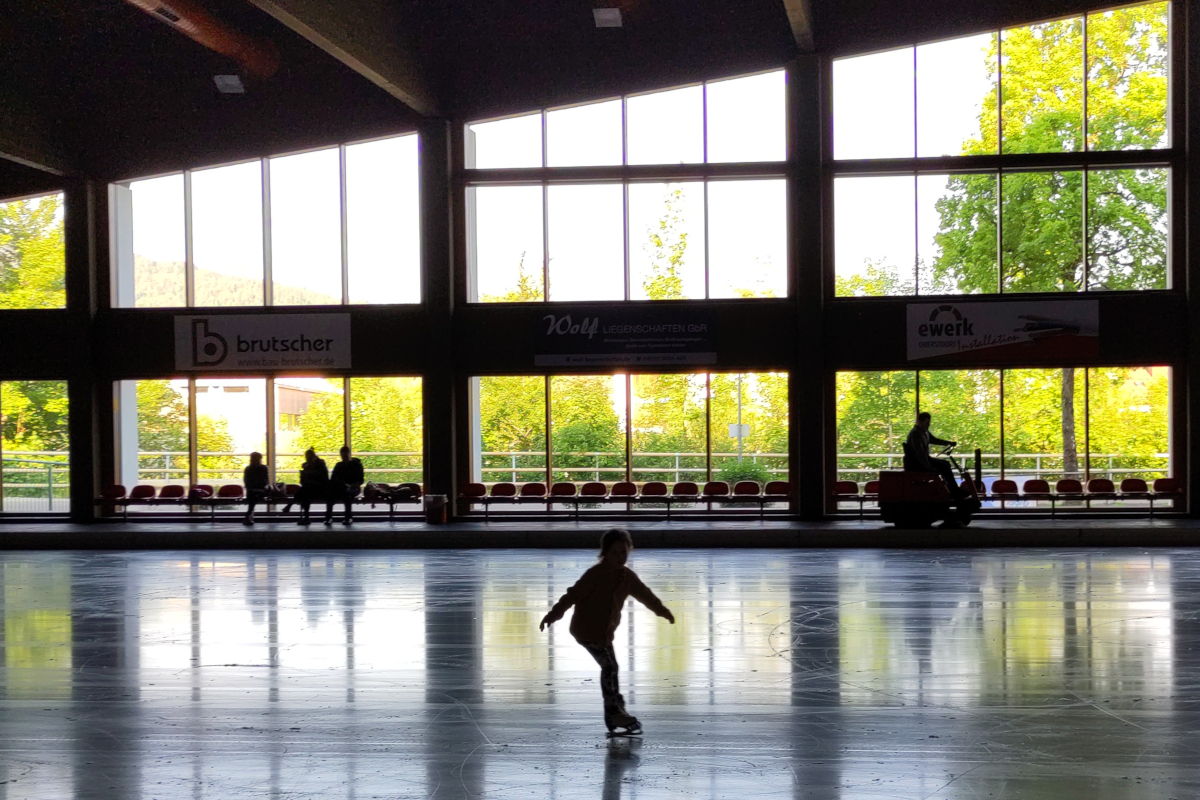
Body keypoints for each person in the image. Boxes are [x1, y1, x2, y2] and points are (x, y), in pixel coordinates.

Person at [539, 528, 675, 736]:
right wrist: (553, 614)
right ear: (604, 553)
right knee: (609, 667)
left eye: (624, 552)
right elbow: (572, 595)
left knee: (612, 667)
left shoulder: (627, 577)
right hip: (585, 630)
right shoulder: (595, 574)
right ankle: (614, 712)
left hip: (604, 633)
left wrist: (662, 611)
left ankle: (616, 710)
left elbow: (645, 595)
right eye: (615, 553)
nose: (620, 557)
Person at [904, 411, 964, 498]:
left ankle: (953, 490)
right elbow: (920, 454)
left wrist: (948, 443)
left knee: (946, 464)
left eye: (929, 423)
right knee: (944, 466)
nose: (928, 425)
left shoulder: (924, 432)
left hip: (922, 460)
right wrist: (929, 468)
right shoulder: (915, 434)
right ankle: (955, 492)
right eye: (927, 423)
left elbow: (934, 440)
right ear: (920, 422)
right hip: (916, 464)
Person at [326, 445, 364, 525]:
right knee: (331, 496)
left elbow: (360, 480)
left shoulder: (355, 465)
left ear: (349, 454)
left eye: (345, 455)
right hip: (342, 487)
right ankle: (330, 517)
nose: (344, 457)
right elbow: (333, 479)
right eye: (343, 455)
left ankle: (346, 517)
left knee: (347, 495)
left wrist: (352, 485)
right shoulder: (339, 465)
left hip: (353, 487)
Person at [295, 448, 329, 526]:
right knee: (306, 490)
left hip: (320, 488)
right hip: (313, 489)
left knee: (305, 491)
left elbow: (323, 478)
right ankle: (305, 516)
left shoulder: (318, 464)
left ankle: (305, 516)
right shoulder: (314, 464)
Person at [242, 451, 269, 526]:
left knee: (252, 496)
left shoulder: (248, 469)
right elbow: (265, 480)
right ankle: (248, 515)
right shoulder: (264, 468)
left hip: (257, 490)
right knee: (254, 496)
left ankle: (248, 515)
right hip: (259, 491)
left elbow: (247, 482)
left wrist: (255, 487)